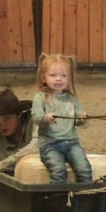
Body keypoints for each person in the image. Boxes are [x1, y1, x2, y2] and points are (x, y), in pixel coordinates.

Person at [32, 53, 93, 184]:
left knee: (85, 169)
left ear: (69, 78)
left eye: (63, 76)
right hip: (50, 145)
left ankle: (85, 198)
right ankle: (56, 201)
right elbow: (36, 118)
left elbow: (77, 121)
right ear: (43, 78)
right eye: (53, 75)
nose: (59, 79)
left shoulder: (72, 99)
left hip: (72, 143)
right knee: (58, 171)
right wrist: (45, 119)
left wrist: (83, 118)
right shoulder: (40, 97)